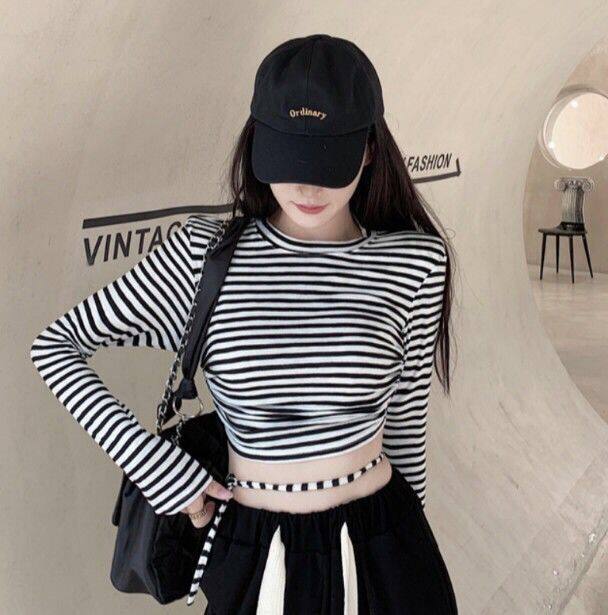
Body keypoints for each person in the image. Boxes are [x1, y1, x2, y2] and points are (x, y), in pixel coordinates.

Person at [30, 33, 458, 614]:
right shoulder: (204, 256)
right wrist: (157, 468)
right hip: (257, 550)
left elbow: (405, 429)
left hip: (386, 544)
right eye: (290, 160)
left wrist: (410, 555)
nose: (307, 187)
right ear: (258, 142)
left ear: (367, 151)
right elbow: (55, 346)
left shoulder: (413, 262)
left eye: (327, 162)